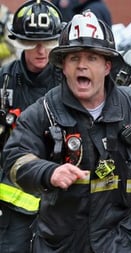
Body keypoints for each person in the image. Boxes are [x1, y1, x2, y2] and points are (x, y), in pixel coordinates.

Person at [1, 10, 131, 253]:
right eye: (74, 58)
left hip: (125, 241)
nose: (82, 66)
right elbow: (15, 157)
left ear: (107, 66)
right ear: (63, 66)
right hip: (65, 243)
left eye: (92, 58)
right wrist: (48, 172)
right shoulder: (45, 112)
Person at [0, 1, 63, 253]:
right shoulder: (4, 81)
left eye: (48, 43)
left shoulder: (67, 82)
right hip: (11, 203)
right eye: (32, 43)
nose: (40, 51)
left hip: (60, 199)